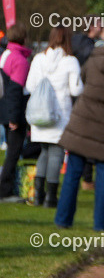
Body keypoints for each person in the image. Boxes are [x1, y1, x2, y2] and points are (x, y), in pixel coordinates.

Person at [54, 29, 104, 231]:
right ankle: (101, 224)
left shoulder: (93, 60)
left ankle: (63, 220)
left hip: (83, 121)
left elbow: (82, 81)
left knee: (73, 173)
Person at [25, 26, 83, 207]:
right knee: (56, 153)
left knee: (44, 152)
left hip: (39, 113)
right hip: (59, 114)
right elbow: (76, 89)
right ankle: (50, 197)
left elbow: (29, 85)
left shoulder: (38, 59)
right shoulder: (70, 61)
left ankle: (38, 195)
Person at [0, 23, 32, 201]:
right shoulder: (19, 60)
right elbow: (15, 89)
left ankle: (6, 185)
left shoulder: (5, 54)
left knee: (11, 151)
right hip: (14, 111)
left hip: (4, 108)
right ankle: (5, 190)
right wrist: (14, 117)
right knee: (14, 151)